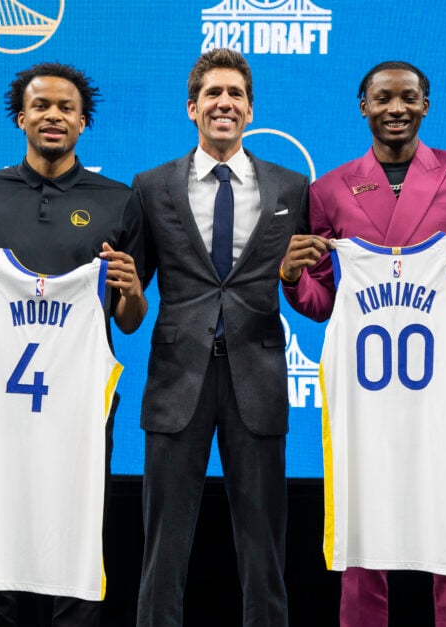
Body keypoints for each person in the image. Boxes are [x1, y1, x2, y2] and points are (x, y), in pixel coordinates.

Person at [280, 60, 446, 627]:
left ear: (426, 105)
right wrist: (290, 278)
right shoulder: (328, 189)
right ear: (364, 106)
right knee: (364, 540)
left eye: (409, 97)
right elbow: (325, 304)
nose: (396, 108)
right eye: (383, 98)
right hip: (367, 393)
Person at [0, 62, 147, 627]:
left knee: (78, 525)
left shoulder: (119, 202)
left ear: (83, 121)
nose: (52, 116)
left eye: (65, 109)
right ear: (20, 116)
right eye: (40, 107)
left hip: (78, 403)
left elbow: (129, 321)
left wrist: (129, 289)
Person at [132, 48, 309, 627]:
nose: (224, 103)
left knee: (265, 554)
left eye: (235, 94)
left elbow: (308, 291)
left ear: (250, 110)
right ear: (192, 108)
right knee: (162, 550)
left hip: (257, 381)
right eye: (212, 93)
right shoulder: (151, 186)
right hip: (175, 381)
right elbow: (129, 299)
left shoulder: (292, 188)